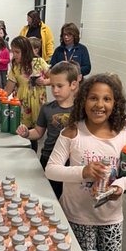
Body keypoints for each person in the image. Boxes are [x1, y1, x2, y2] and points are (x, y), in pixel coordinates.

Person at [45, 73, 126, 251]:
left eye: (107, 99)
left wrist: (122, 184)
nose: (99, 105)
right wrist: (83, 172)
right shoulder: (72, 132)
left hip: (111, 218)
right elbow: (51, 170)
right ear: (83, 100)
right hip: (76, 215)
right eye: (93, 98)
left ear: (115, 103)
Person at [19, 60, 80, 202]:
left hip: (72, 162)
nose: (55, 90)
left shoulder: (81, 110)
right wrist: (27, 133)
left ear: (73, 85)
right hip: (48, 158)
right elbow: (38, 133)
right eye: (52, 86)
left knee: (69, 199)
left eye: (60, 86)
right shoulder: (47, 108)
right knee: (47, 197)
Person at [5, 35, 49, 149]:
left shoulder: (39, 62)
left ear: (25, 51)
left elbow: (55, 79)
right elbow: (8, 90)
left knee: (36, 133)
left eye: (17, 52)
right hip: (23, 104)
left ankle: (33, 155)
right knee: (23, 132)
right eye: (12, 51)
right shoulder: (15, 66)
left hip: (38, 104)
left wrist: (44, 81)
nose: (14, 55)